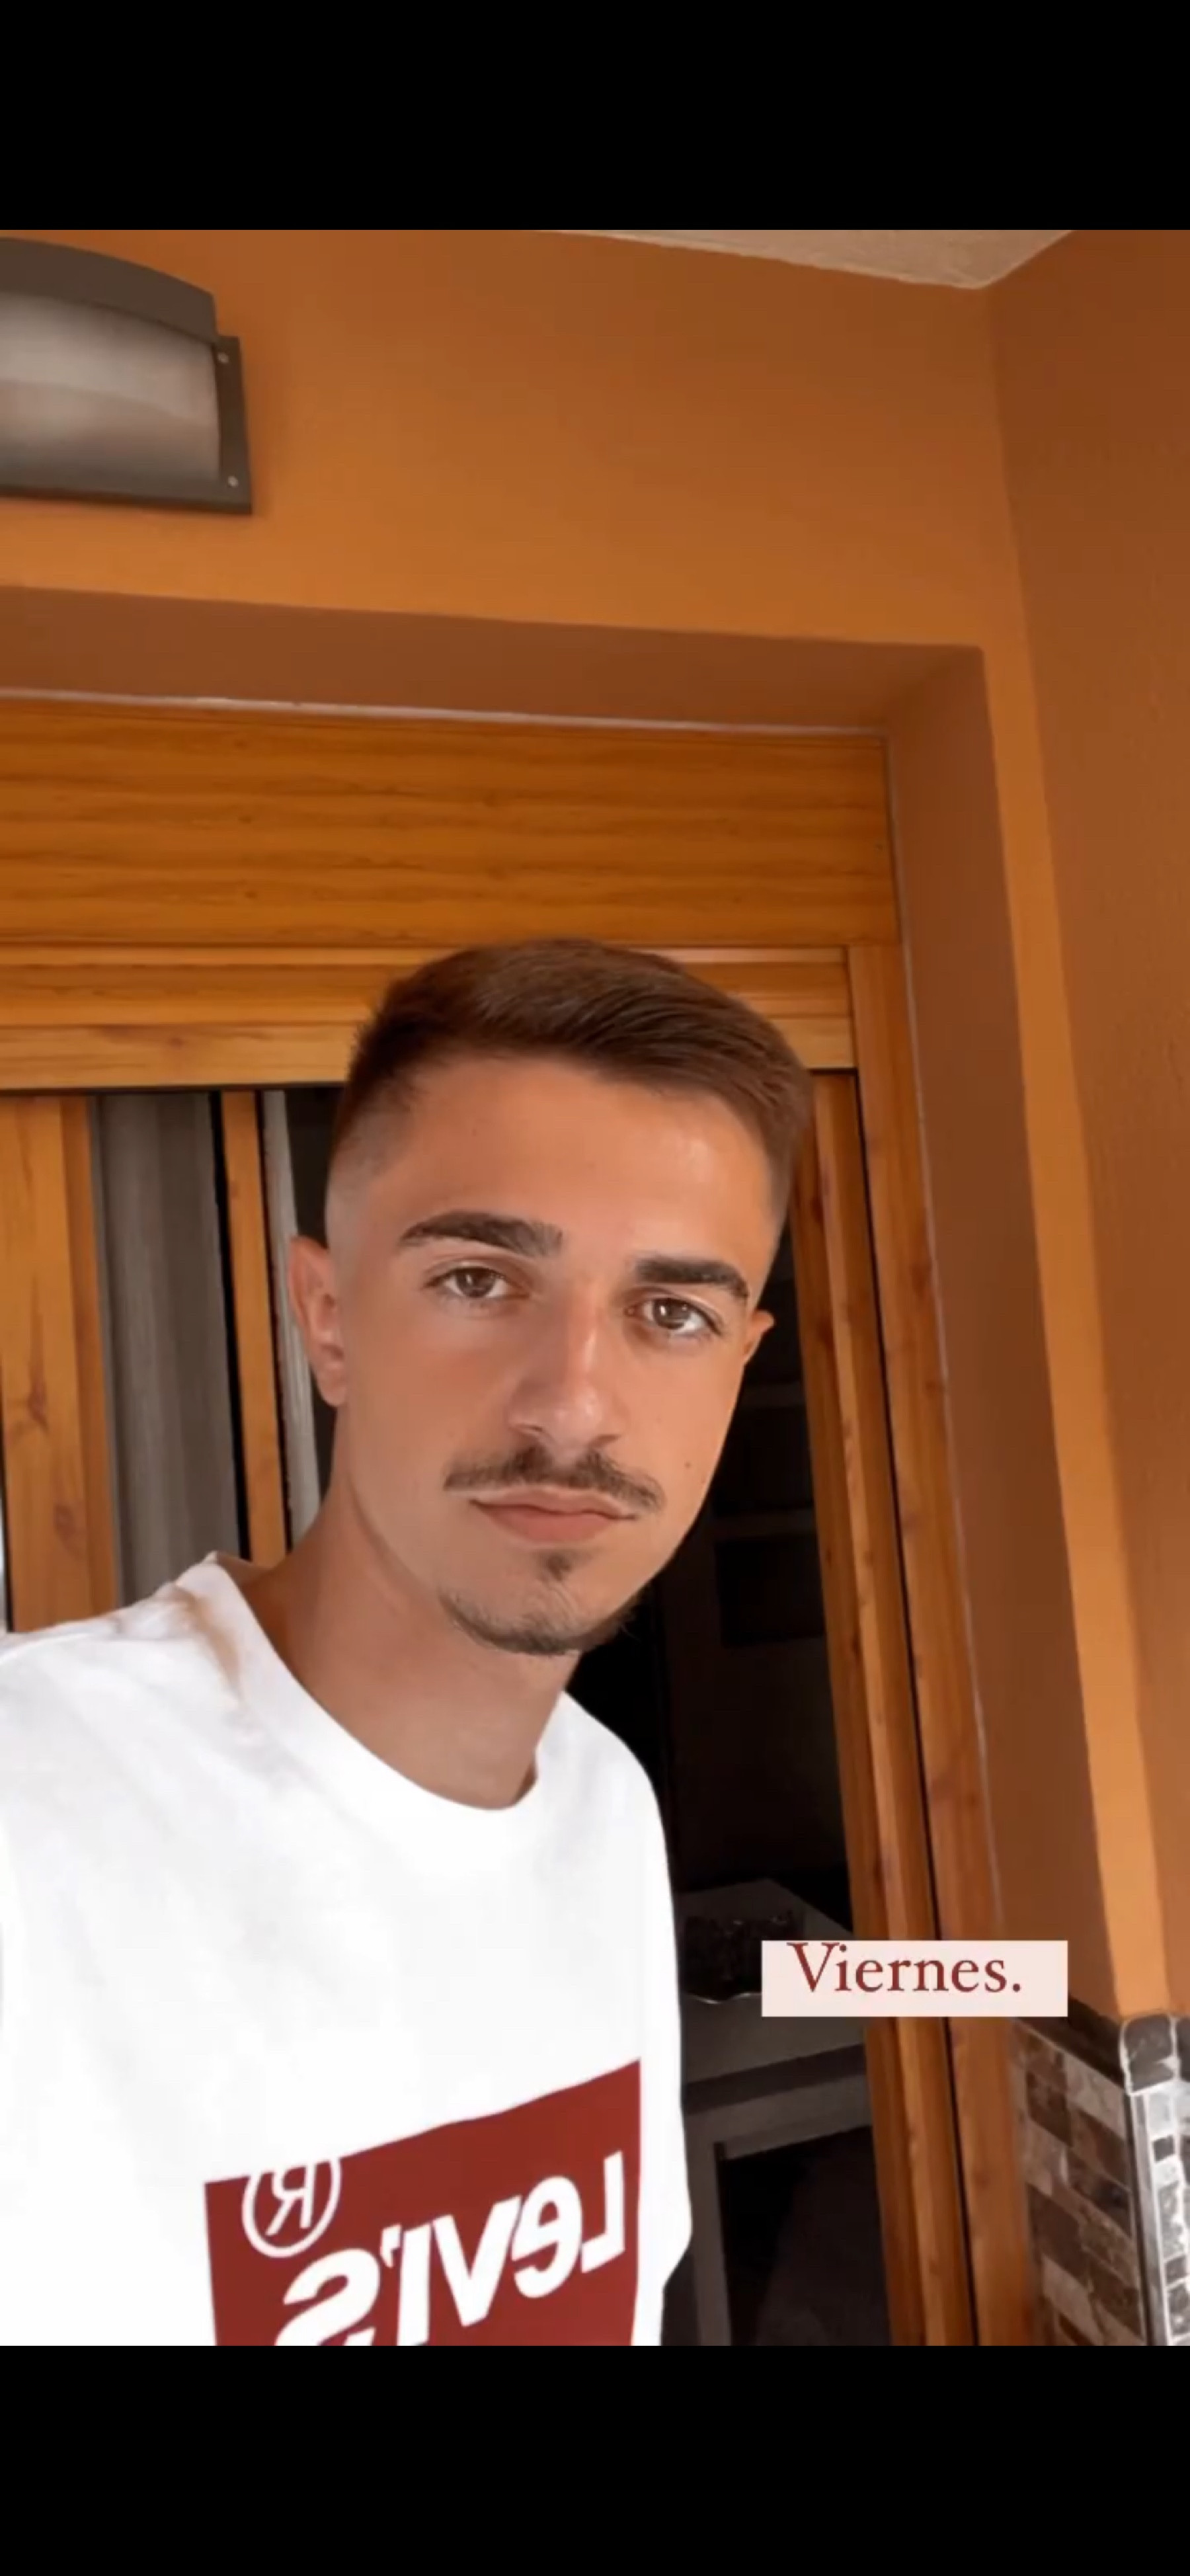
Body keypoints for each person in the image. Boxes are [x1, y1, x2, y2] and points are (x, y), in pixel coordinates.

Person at [0, 937, 811, 2347]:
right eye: (481, 1281)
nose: (574, 1405)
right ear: (327, 1320)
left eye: (671, 1312)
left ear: (740, 1362)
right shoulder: (39, 1812)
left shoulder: (608, 1808)